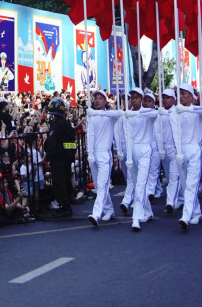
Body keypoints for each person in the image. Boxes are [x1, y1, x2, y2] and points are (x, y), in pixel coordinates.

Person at [172, 84, 202, 231]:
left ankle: (185, 216)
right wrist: (178, 151)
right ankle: (196, 212)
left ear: (193, 97)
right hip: (181, 150)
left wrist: (189, 108)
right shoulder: (175, 111)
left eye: (185, 94)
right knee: (185, 185)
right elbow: (175, 132)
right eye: (180, 94)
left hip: (194, 148)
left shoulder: (196, 110)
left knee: (192, 185)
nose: (181, 97)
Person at [122, 88, 158, 232]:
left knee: (141, 185)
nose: (134, 100)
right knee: (137, 183)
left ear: (142, 99)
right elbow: (126, 135)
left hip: (145, 150)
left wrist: (138, 112)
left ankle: (136, 217)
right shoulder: (128, 115)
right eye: (132, 97)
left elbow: (155, 113)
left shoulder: (148, 113)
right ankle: (148, 211)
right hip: (133, 151)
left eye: (137, 97)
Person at [85, 90, 122, 227]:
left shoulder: (109, 116)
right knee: (99, 185)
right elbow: (90, 136)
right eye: (96, 98)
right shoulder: (91, 115)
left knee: (102, 186)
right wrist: (89, 153)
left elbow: (119, 113)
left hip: (105, 154)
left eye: (101, 98)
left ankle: (96, 213)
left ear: (105, 101)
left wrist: (98, 112)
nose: (98, 100)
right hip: (94, 154)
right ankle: (109, 209)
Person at [44, 97, 77, 217]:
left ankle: (64, 207)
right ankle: (67, 204)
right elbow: (72, 143)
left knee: (59, 183)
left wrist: (48, 157)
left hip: (58, 159)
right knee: (66, 180)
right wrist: (69, 155)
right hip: (66, 159)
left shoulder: (56, 125)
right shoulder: (67, 124)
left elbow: (52, 142)